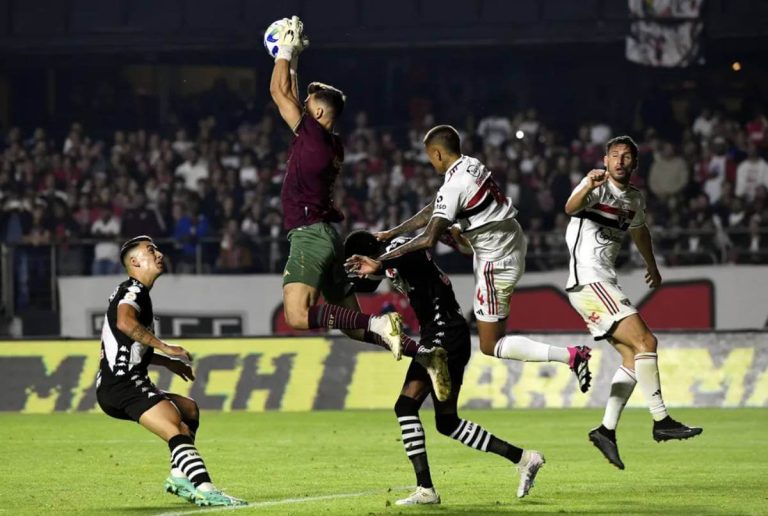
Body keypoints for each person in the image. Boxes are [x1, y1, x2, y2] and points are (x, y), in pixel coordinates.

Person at [347, 125, 592, 391]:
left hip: (495, 263)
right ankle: (461, 237)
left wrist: (383, 261)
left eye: (430, 157)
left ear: (438, 154)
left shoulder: (454, 186)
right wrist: (393, 232)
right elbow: (436, 207)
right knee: (455, 228)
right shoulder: (471, 165)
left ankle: (571, 355)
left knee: (491, 344)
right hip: (511, 238)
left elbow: (428, 238)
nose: (431, 163)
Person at [344, 230, 544, 504]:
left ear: (370, 253)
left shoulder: (399, 248)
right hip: (449, 332)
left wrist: (381, 264)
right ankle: (524, 458)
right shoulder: (389, 260)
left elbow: (412, 257)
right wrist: (342, 278)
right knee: (447, 423)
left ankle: (425, 489)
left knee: (405, 406)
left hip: (443, 333)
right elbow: (367, 284)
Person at [564, 135, 703, 470]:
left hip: (604, 281)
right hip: (588, 279)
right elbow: (569, 208)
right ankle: (661, 420)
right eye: (615, 155)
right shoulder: (595, 186)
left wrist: (651, 265)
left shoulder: (634, 200)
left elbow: (640, 232)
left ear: (634, 164)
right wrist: (586, 183)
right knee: (647, 341)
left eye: (627, 156)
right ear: (605, 160)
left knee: (632, 355)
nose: (620, 161)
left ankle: (606, 431)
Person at [268, 16, 404, 357]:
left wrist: (284, 49)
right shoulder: (329, 140)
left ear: (315, 112)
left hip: (309, 235)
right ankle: (422, 353)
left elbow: (277, 92)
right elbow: (292, 94)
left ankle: (382, 323)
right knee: (352, 324)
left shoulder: (312, 137)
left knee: (297, 316)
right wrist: (294, 57)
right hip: (328, 236)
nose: (303, 103)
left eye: (309, 102)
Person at [95, 235, 245, 507]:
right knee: (175, 427)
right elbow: (126, 323)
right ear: (134, 261)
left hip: (121, 381)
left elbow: (129, 345)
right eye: (150, 251)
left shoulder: (134, 291)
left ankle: (179, 476)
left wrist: (166, 363)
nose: (159, 254)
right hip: (123, 384)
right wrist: (165, 347)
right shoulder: (134, 291)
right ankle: (205, 488)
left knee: (188, 410)